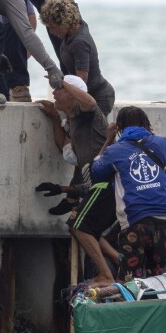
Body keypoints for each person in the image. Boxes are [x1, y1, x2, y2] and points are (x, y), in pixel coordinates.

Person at [35, 75, 115, 287]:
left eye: (57, 90)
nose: (53, 93)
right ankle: (118, 260)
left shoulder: (90, 116)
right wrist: (54, 117)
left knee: (77, 226)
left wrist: (63, 83)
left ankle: (106, 275)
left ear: (71, 94)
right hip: (95, 183)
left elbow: (90, 102)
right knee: (89, 229)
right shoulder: (72, 123)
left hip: (105, 182)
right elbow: (64, 148)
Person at [90, 106, 166, 280]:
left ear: (119, 128)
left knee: (132, 279)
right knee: (155, 279)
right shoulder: (160, 143)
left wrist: (108, 140)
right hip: (165, 222)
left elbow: (96, 172)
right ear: (146, 124)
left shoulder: (114, 150)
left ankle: (131, 305)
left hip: (135, 222)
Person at [39, 0, 115, 116]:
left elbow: (81, 82)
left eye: (53, 27)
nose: (52, 32)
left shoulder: (79, 43)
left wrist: (60, 82)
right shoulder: (77, 23)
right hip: (89, 93)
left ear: (64, 23)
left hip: (98, 97)